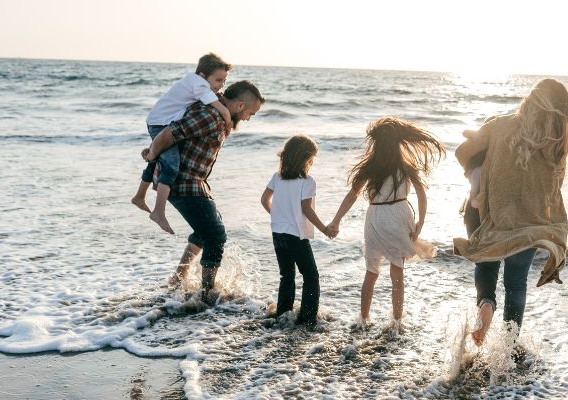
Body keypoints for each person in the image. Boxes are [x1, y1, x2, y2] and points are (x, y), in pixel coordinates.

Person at [452, 79, 568, 345]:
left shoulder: (498, 125)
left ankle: (486, 304)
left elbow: (463, 151)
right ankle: (509, 347)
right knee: (516, 285)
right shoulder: (555, 144)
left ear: (529, 100)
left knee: (486, 264)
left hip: (489, 216)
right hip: (528, 225)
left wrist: (478, 171)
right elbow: (552, 188)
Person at [141, 80, 264, 302]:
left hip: (194, 182)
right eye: (250, 113)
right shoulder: (210, 116)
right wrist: (152, 154)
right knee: (215, 235)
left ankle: (178, 278)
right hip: (182, 183)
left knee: (204, 229)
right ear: (239, 105)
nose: (248, 118)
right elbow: (169, 133)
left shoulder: (218, 115)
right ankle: (207, 292)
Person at [328, 117, 442, 329]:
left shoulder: (370, 167)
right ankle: (397, 322)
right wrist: (421, 222)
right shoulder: (407, 167)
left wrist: (335, 221)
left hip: (376, 218)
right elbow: (421, 195)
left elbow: (352, 196)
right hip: (399, 214)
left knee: (371, 273)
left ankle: (363, 319)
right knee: (397, 273)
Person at [131, 53, 235, 235]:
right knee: (171, 166)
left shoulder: (194, 82)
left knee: (156, 159)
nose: (221, 86)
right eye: (218, 80)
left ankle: (139, 196)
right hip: (161, 124)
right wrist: (226, 115)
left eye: (224, 81)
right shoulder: (199, 84)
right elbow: (215, 104)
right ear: (203, 75)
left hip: (159, 121)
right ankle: (159, 211)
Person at [259, 135, 336, 326]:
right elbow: (306, 209)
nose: (312, 162)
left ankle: (283, 314)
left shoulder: (277, 177)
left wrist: (277, 216)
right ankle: (308, 318)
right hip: (296, 236)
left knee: (287, 275)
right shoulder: (307, 181)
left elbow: (264, 200)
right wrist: (325, 229)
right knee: (311, 276)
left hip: (278, 232)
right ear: (305, 158)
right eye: (312, 158)